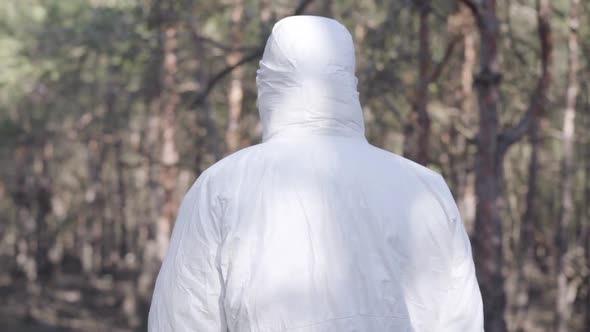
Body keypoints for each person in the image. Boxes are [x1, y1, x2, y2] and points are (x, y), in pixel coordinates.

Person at [148, 15, 483, 332]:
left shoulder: (220, 186)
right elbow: (460, 319)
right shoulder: (425, 188)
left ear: (269, 84)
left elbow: (182, 319)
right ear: (347, 82)